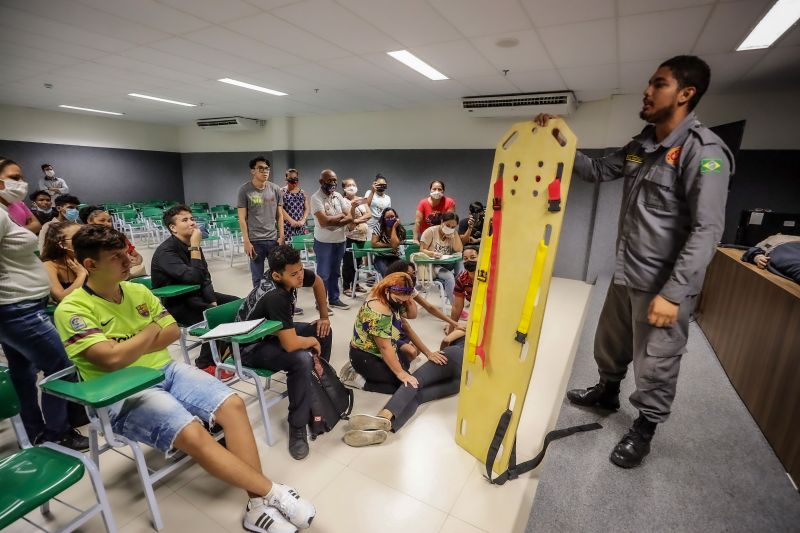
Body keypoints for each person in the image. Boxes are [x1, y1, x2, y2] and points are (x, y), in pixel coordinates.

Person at [535, 55, 733, 469]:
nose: (647, 90)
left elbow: (707, 230)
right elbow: (595, 170)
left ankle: (644, 427)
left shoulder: (704, 151)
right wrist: (561, 138)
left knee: (656, 360)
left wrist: (674, 293)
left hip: (663, 285)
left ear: (685, 93)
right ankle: (607, 392)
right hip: (626, 271)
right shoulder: (641, 145)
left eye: (658, 84)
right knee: (610, 342)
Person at [54, 224, 315, 532]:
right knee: (193, 433)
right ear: (90, 265)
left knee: (232, 405)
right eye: (115, 257)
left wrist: (132, 342)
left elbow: (171, 332)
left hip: (167, 370)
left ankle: (256, 504)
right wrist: (149, 330)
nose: (128, 261)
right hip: (120, 392)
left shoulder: (138, 290)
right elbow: (111, 360)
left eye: (126, 252)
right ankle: (273, 492)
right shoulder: (72, 308)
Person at [0, 158, 88, 451]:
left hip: (19, 306)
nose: (20, 182)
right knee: (62, 365)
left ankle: (36, 432)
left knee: (23, 373)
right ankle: (57, 432)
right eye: (13, 176)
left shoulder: (6, 212)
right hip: (17, 307)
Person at [235, 245, 333, 460]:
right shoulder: (276, 295)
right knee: (300, 359)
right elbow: (290, 344)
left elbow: (317, 281)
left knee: (323, 330)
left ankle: (319, 389)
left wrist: (323, 316)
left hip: (271, 333)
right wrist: (310, 340)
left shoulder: (289, 273)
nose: (300, 277)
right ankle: (297, 426)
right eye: (294, 274)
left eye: (301, 270)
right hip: (249, 346)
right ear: (277, 275)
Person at [151, 205, 240, 373]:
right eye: (185, 220)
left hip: (197, 296)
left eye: (192, 219)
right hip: (177, 304)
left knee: (236, 304)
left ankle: (222, 353)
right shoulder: (165, 252)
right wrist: (194, 246)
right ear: (173, 228)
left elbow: (204, 276)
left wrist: (212, 300)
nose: (192, 223)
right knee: (216, 316)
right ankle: (205, 363)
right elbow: (193, 277)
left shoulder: (192, 244)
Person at [343, 343, 462, 447]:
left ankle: (383, 418)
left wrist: (443, 346)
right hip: (460, 382)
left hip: (455, 354)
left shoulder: (471, 328)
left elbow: (448, 339)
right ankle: (385, 429)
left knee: (413, 382)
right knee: (419, 397)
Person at [348, 272, 447, 396]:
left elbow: (411, 316)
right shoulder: (379, 308)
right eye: (399, 300)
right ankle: (357, 379)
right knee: (403, 387)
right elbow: (384, 347)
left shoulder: (392, 298)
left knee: (407, 371)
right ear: (387, 290)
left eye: (404, 300)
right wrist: (401, 373)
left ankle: (374, 374)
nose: (401, 303)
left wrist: (409, 299)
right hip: (365, 355)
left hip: (383, 348)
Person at [238, 157, 285, 288]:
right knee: (257, 277)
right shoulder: (244, 190)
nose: (265, 171)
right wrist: (246, 241)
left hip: (273, 240)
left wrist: (281, 236)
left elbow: (280, 215)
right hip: (255, 241)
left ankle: (279, 304)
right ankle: (259, 305)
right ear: (253, 171)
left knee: (279, 274)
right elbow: (242, 218)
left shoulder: (275, 189)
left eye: (267, 169)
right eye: (260, 169)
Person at [310, 169, 352, 310]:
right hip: (324, 243)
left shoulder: (338, 196)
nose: (333, 183)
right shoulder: (316, 198)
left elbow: (350, 216)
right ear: (321, 182)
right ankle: (321, 304)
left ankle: (334, 299)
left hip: (340, 241)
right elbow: (323, 222)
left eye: (335, 180)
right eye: (329, 180)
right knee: (323, 274)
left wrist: (333, 220)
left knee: (335, 272)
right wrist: (340, 217)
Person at [80, 205, 145, 277]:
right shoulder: (84, 242)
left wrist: (137, 261)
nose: (107, 224)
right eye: (102, 220)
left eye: (109, 221)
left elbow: (137, 255)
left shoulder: (120, 238)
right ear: (89, 222)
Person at [419, 212, 464, 304]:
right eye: (448, 225)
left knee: (460, 265)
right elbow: (422, 250)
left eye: (453, 227)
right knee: (449, 276)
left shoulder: (452, 233)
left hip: (447, 263)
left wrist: (454, 234)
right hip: (433, 265)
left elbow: (459, 250)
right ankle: (454, 305)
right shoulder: (430, 231)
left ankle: (453, 291)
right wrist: (432, 254)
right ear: (442, 221)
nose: (450, 228)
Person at [443, 245, 479, 346]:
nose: (469, 261)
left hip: (489, 314)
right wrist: (451, 328)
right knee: (447, 341)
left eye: (473, 257)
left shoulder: (488, 275)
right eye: (465, 259)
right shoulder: (462, 279)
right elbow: (457, 307)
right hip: (475, 315)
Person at [41, 222, 85, 303]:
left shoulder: (89, 258)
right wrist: (81, 275)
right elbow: (61, 298)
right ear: (61, 244)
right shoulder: (49, 265)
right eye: (77, 237)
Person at [341, 178, 371, 297]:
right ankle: (346, 286)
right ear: (344, 188)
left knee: (358, 262)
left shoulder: (361, 200)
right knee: (348, 262)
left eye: (354, 184)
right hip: (349, 236)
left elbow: (369, 214)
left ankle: (356, 284)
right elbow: (349, 219)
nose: (352, 187)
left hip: (362, 236)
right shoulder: (343, 201)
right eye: (349, 185)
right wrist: (355, 215)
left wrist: (357, 220)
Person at [370, 207, 406, 277]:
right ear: (384, 218)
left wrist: (394, 228)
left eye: (392, 217)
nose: (390, 219)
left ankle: (399, 287)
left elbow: (395, 245)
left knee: (403, 272)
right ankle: (389, 287)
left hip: (394, 257)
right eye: (387, 217)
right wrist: (389, 245)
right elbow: (374, 243)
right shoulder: (379, 226)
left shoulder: (400, 229)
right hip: (380, 257)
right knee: (387, 274)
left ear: (396, 217)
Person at [280, 168, 310, 241]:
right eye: (290, 178)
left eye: (295, 178)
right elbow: (280, 208)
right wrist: (291, 221)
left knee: (301, 248)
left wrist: (303, 220)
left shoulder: (303, 192)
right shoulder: (281, 192)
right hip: (287, 227)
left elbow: (307, 208)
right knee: (287, 250)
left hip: (301, 226)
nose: (293, 180)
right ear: (286, 179)